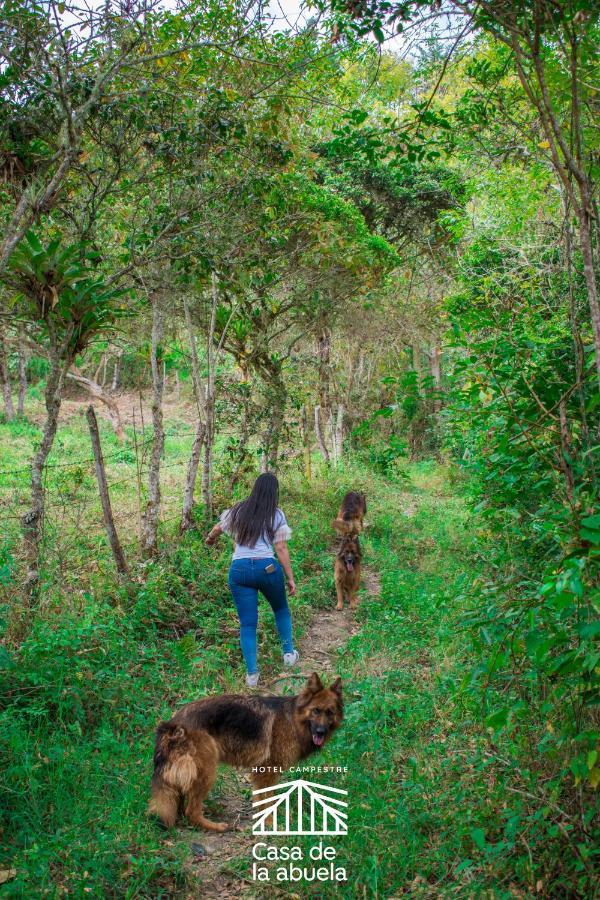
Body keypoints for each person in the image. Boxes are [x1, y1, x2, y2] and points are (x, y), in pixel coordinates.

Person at [205, 472, 299, 688]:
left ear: (255, 489)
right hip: (266, 568)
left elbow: (218, 528)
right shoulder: (276, 514)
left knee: (247, 624)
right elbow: (281, 547)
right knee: (281, 609)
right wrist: (290, 578)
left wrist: (210, 539)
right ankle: (288, 654)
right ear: (274, 492)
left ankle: (252, 676)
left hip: (239, 571)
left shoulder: (238, 510)